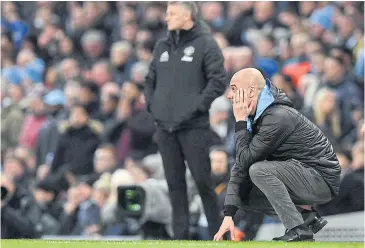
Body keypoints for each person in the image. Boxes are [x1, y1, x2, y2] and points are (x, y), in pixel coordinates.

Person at [214, 68, 341, 242]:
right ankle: (305, 217)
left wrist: (240, 122)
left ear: (251, 90)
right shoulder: (258, 117)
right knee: (243, 193)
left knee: (258, 170)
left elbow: (245, 160)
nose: (229, 95)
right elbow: (240, 166)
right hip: (301, 174)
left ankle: (298, 230)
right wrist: (229, 214)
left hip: (321, 178)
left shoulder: (277, 116)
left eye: (234, 88)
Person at [145, 1, 227, 240]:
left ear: (188, 15)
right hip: (165, 127)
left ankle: (218, 235)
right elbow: (150, 78)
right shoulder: (162, 45)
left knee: (203, 182)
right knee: (174, 185)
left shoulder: (206, 44)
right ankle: (180, 238)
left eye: (172, 13)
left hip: (194, 127)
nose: (167, 17)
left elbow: (218, 80)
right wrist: (152, 105)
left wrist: (197, 107)